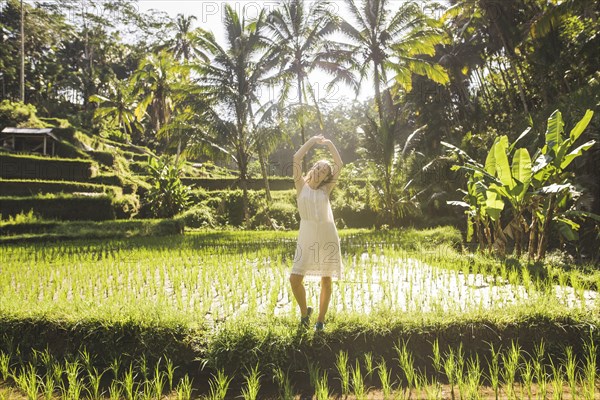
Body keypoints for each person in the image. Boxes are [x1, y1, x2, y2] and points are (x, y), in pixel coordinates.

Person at [290, 134, 343, 332]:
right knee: (295, 279)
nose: (320, 171)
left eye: (324, 171)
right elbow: (296, 158)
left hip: (327, 235)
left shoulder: (325, 190)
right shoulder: (300, 185)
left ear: (326, 177)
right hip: (306, 234)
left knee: (326, 279)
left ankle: (320, 321)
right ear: (313, 168)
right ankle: (305, 313)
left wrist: (329, 144)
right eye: (319, 167)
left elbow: (339, 164)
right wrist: (312, 142)